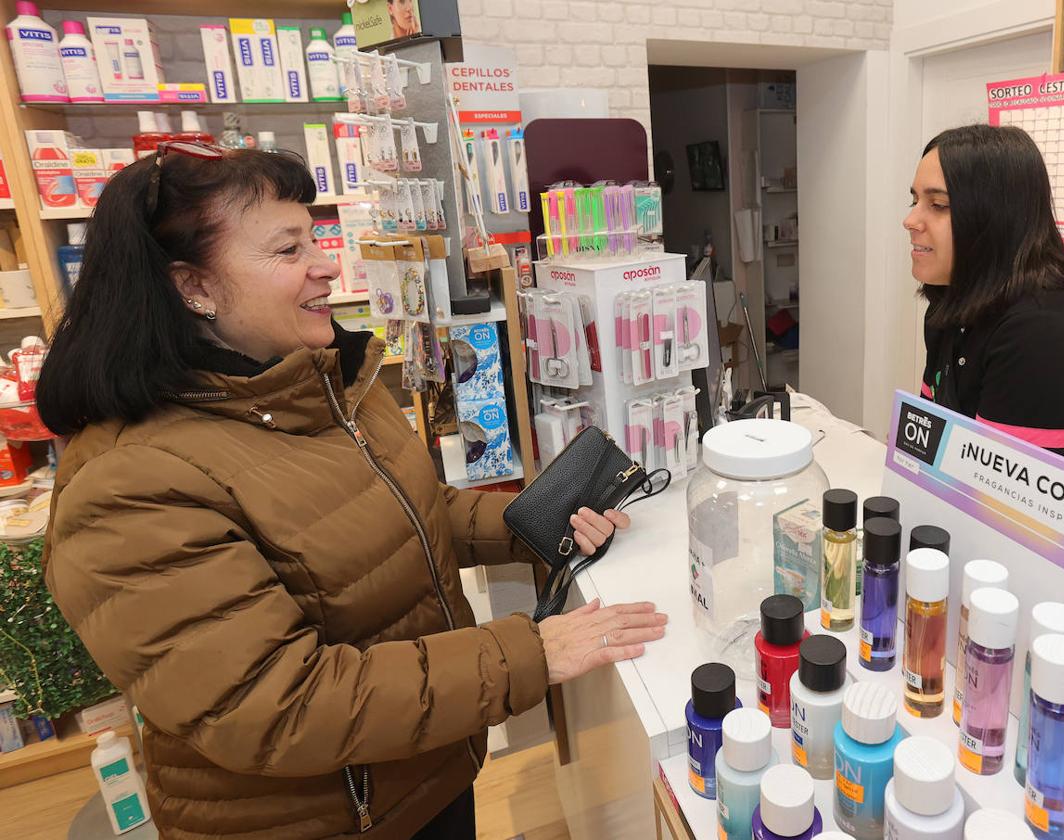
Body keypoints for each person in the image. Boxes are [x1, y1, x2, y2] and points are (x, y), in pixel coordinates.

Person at [38, 145, 668, 839]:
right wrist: (530, 654)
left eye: (315, 237)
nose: (326, 264)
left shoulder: (320, 382)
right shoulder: (129, 485)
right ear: (193, 286)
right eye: (287, 249)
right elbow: (276, 704)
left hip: (419, 774)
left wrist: (541, 523)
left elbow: (406, 511)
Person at [904, 124, 1064, 489]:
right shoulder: (949, 306)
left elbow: (1003, 497)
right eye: (915, 200)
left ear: (995, 217)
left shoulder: (1039, 333)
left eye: (938, 205)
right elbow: (932, 438)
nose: (910, 220)